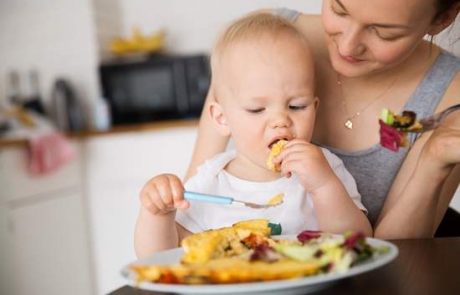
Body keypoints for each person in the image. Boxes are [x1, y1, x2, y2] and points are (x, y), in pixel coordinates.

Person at [187, 0, 460, 239]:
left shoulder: (451, 93)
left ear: (442, 19)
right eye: (339, 9)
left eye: (384, 33)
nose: (348, 45)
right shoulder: (259, 40)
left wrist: (433, 161)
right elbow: (191, 204)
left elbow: (389, 256)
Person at [134, 13, 372, 258]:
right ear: (221, 118)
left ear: (315, 108)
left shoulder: (325, 168)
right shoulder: (211, 181)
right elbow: (162, 256)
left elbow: (360, 243)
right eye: (257, 109)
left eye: (297, 106)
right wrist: (158, 215)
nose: (281, 121)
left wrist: (323, 186)